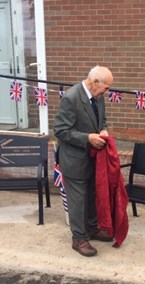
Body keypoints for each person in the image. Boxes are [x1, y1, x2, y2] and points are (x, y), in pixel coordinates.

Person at [54, 65, 114, 257]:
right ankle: (78, 238)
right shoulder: (71, 98)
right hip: (74, 159)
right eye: (106, 87)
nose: (108, 91)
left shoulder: (98, 96)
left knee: (91, 194)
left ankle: (92, 228)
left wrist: (103, 130)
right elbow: (61, 131)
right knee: (78, 200)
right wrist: (88, 138)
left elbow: (102, 120)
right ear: (95, 82)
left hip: (92, 157)